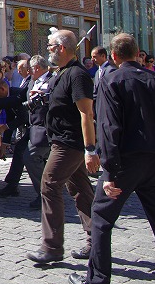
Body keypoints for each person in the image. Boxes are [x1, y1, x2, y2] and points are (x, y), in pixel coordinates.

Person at [67, 33, 155, 284]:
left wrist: (109, 172)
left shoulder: (112, 82)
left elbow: (109, 129)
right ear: (136, 54)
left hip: (126, 164)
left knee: (101, 219)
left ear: (113, 56)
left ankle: (98, 279)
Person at [27, 29, 99, 265]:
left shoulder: (78, 75)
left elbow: (86, 113)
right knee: (80, 190)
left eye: (50, 46)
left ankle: (52, 247)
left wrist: (90, 149)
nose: (47, 49)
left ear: (62, 48)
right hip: (62, 139)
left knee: (49, 185)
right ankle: (96, 241)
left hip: (70, 143)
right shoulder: (61, 73)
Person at [0, 78, 27, 194]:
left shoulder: (17, 94)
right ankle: (12, 186)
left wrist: (4, 127)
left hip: (36, 126)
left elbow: (23, 117)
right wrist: (4, 144)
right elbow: (10, 119)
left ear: (2, 89)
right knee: (23, 153)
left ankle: (13, 186)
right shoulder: (7, 98)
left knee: (24, 153)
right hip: (28, 128)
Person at [22, 55, 54, 209]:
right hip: (33, 127)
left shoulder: (51, 81)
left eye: (30, 69)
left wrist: (45, 98)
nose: (28, 71)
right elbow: (21, 96)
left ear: (37, 68)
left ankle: (46, 195)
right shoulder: (32, 81)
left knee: (31, 157)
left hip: (45, 128)